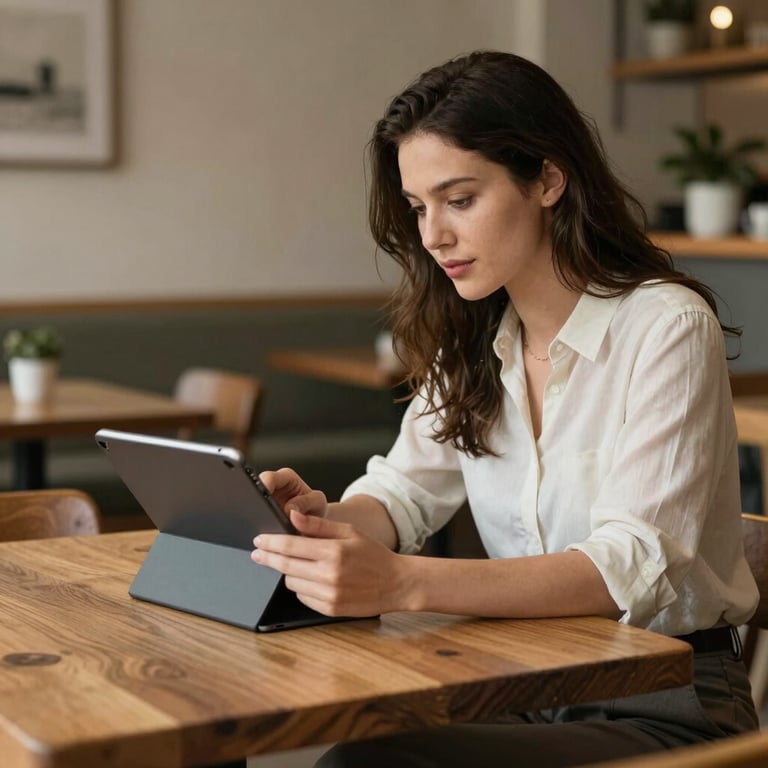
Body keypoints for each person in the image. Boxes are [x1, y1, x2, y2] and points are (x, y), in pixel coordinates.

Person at [251, 51, 760, 767]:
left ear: (548, 179)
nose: (433, 236)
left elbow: (633, 564)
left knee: (370, 764)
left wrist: (401, 582)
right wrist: (321, 525)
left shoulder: (664, 327)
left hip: (666, 705)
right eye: (418, 207)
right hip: (522, 683)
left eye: (460, 200)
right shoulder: (473, 337)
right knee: (368, 749)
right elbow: (402, 493)